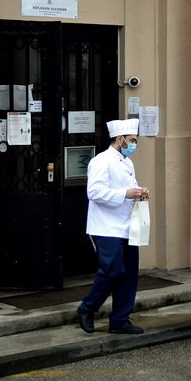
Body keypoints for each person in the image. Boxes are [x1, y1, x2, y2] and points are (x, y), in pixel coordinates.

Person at [77, 118, 149, 335]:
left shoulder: (127, 162)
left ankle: (120, 319)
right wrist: (126, 194)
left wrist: (139, 192)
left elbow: (129, 187)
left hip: (127, 225)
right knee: (113, 270)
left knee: (129, 275)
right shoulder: (101, 161)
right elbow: (95, 192)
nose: (134, 144)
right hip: (106, 227)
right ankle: (87, 308)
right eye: (132, 140)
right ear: (120, 139)